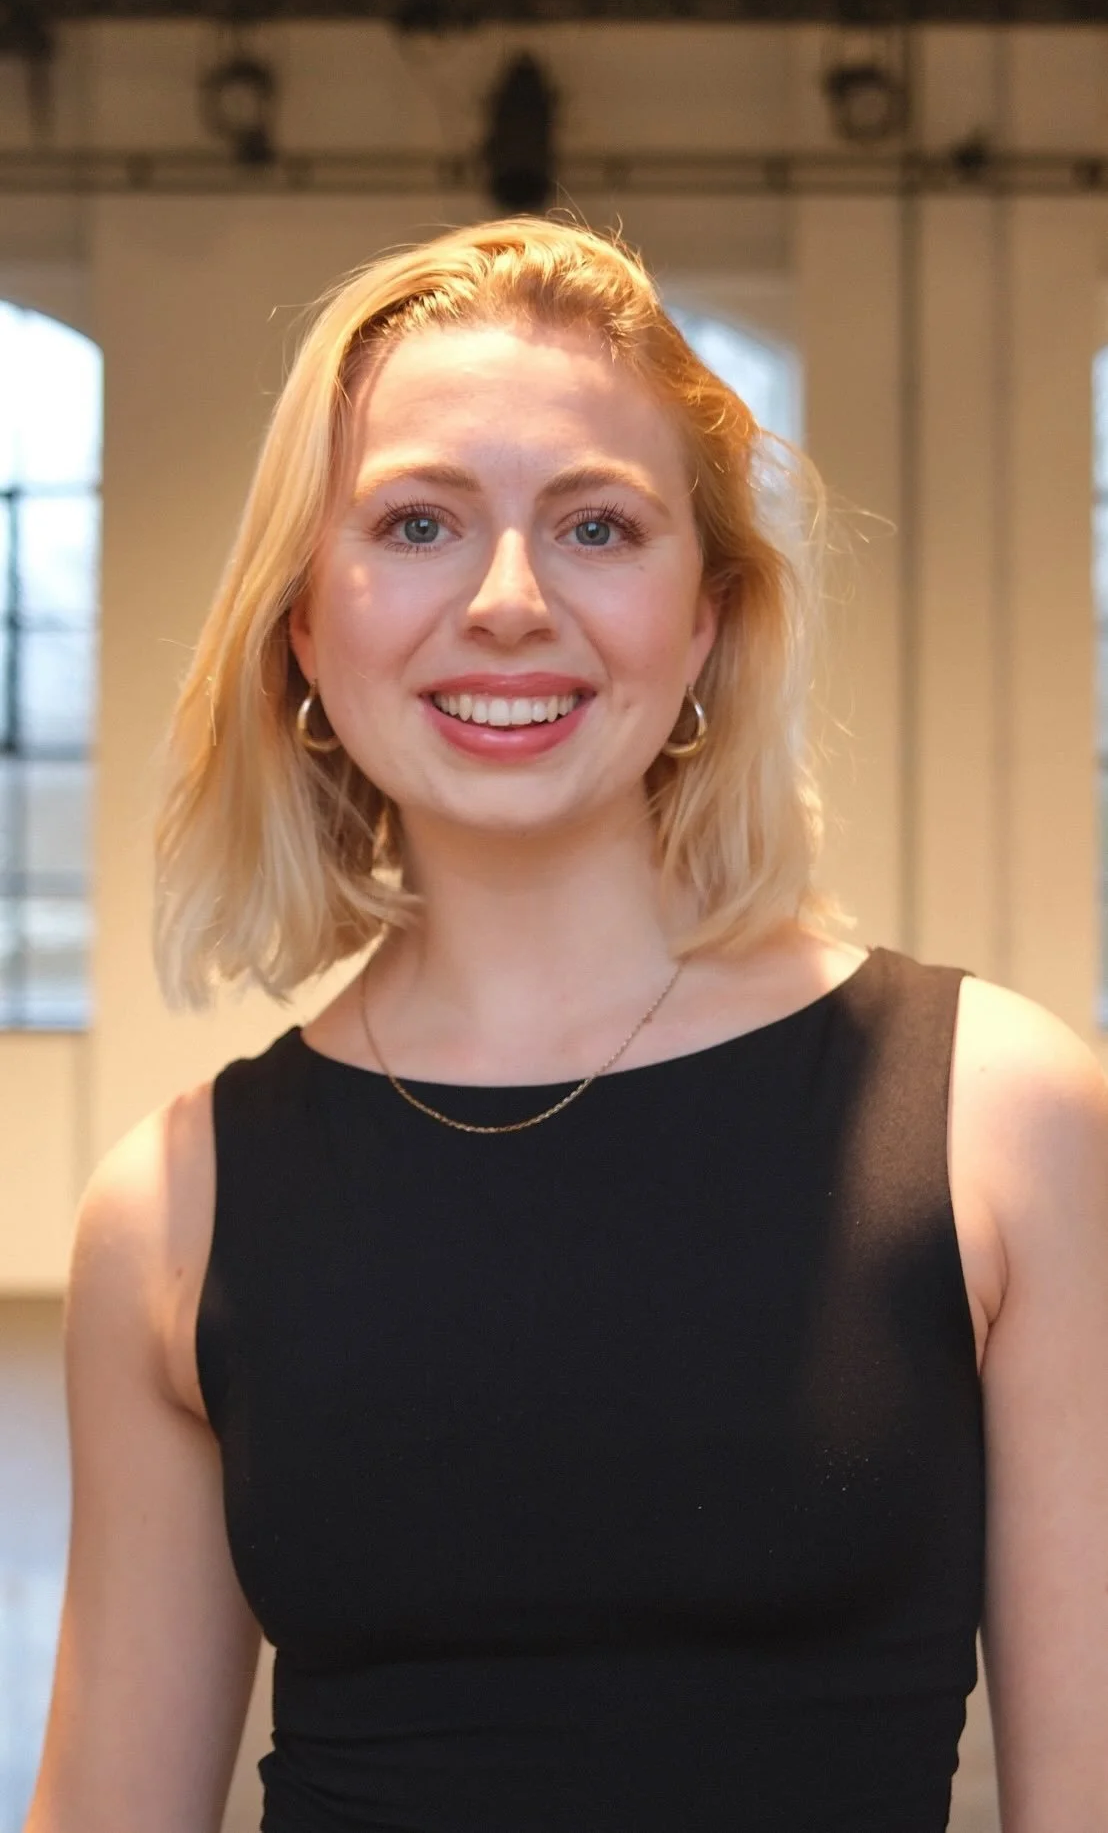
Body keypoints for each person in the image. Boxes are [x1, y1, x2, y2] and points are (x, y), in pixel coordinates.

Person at [25, 217, 1107, 1833]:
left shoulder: (996, 1124)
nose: (510, 601)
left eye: (597, 525)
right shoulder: (172, 1212)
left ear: (709, 617)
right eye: (418, 522)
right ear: (304, 621)